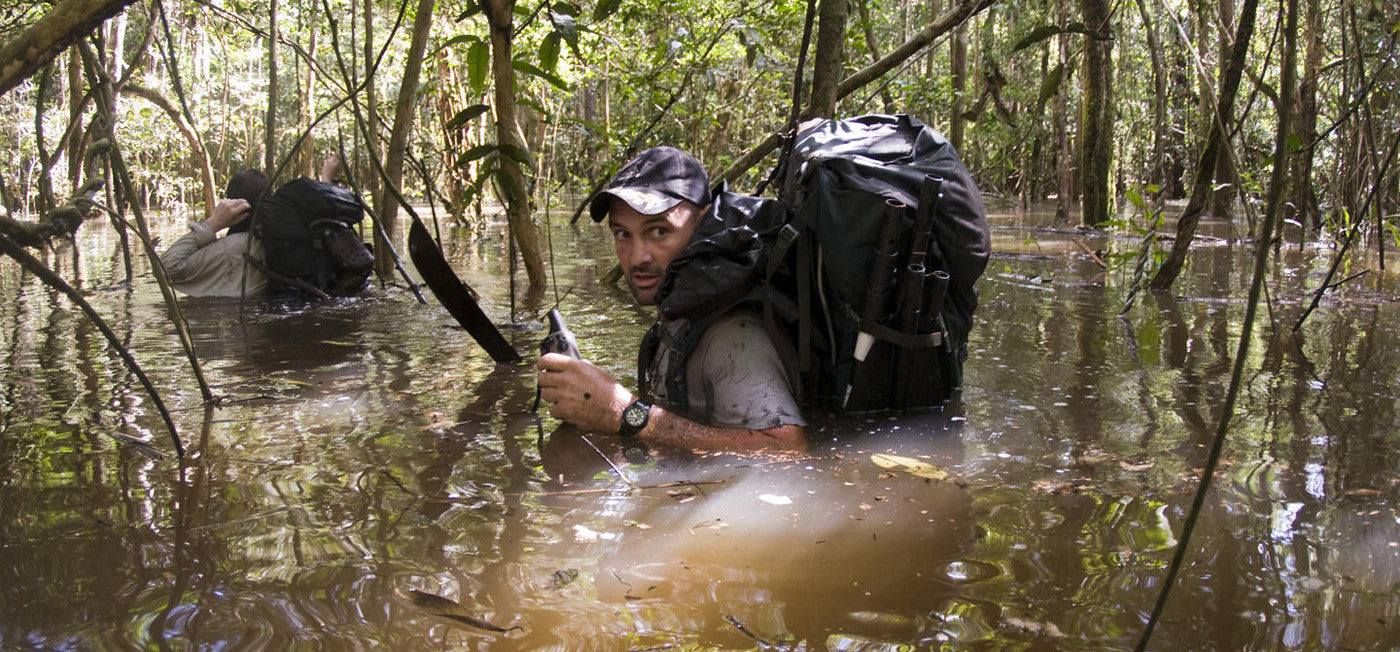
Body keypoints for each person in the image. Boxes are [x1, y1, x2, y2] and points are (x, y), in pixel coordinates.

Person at [536, 147, 806, 453]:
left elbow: (786, 450)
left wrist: (622, 413)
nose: (637, 258)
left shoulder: (733, 333)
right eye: (623, 234)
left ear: (702, 223)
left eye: (660, 231)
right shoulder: (680, 308)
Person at [160, 158, 345, 297]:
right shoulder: (300, 237)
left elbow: (165, 269)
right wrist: (327, 179)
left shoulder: (231, 249)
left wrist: (214, 223)